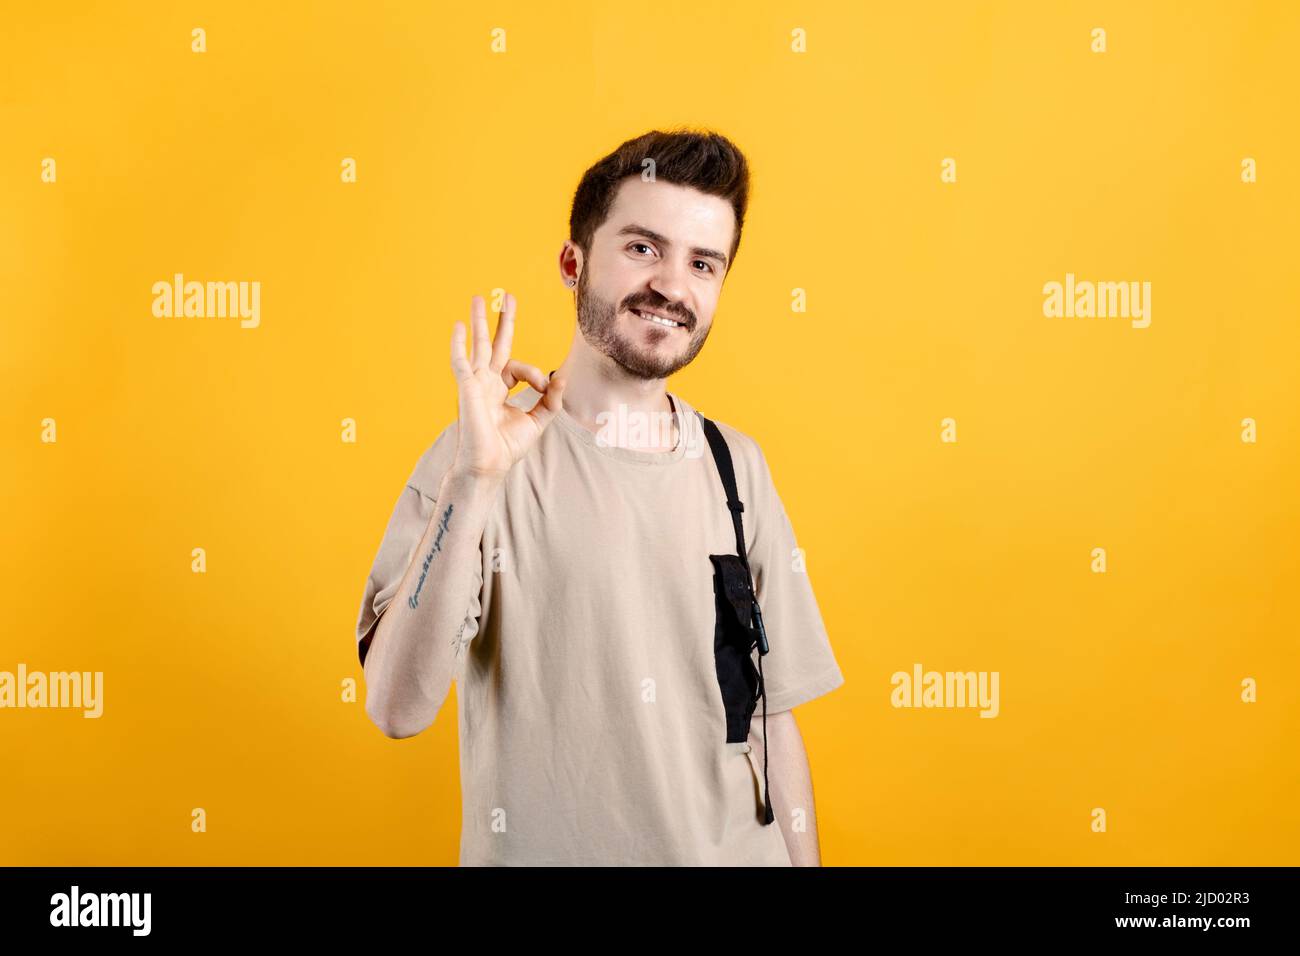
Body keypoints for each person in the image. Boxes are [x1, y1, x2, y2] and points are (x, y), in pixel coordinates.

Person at [355, 128, 845, 866]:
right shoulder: (478, 460)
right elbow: (395, 707)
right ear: (572, 262)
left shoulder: (735, 467)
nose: (673, 287)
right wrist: (475, 483)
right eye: (643, 248)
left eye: (703, 263)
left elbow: (773, 721)